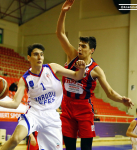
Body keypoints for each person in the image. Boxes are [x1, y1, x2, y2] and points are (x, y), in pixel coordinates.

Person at [56, 0, 134, 150]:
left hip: (84, 109)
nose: (79, 48)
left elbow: (109, 92)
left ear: (92, 50)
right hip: (67, 107)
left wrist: (121, 99)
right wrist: (63, 12)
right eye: (79, 45)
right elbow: (60, 34)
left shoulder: (96, 70)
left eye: (83, 46)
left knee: (86, 148)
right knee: (69, 147)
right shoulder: (72, 55)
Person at [0, 43, 86, 150]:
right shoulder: (25, 79)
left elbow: (77, 76)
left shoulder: (52, 68)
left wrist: (82, 69)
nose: (40, 57)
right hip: (35, 114)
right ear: (29, 57)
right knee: (15, 139)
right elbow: (15, 104)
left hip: (52, 116)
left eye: (42, 54)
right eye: (36, 54)